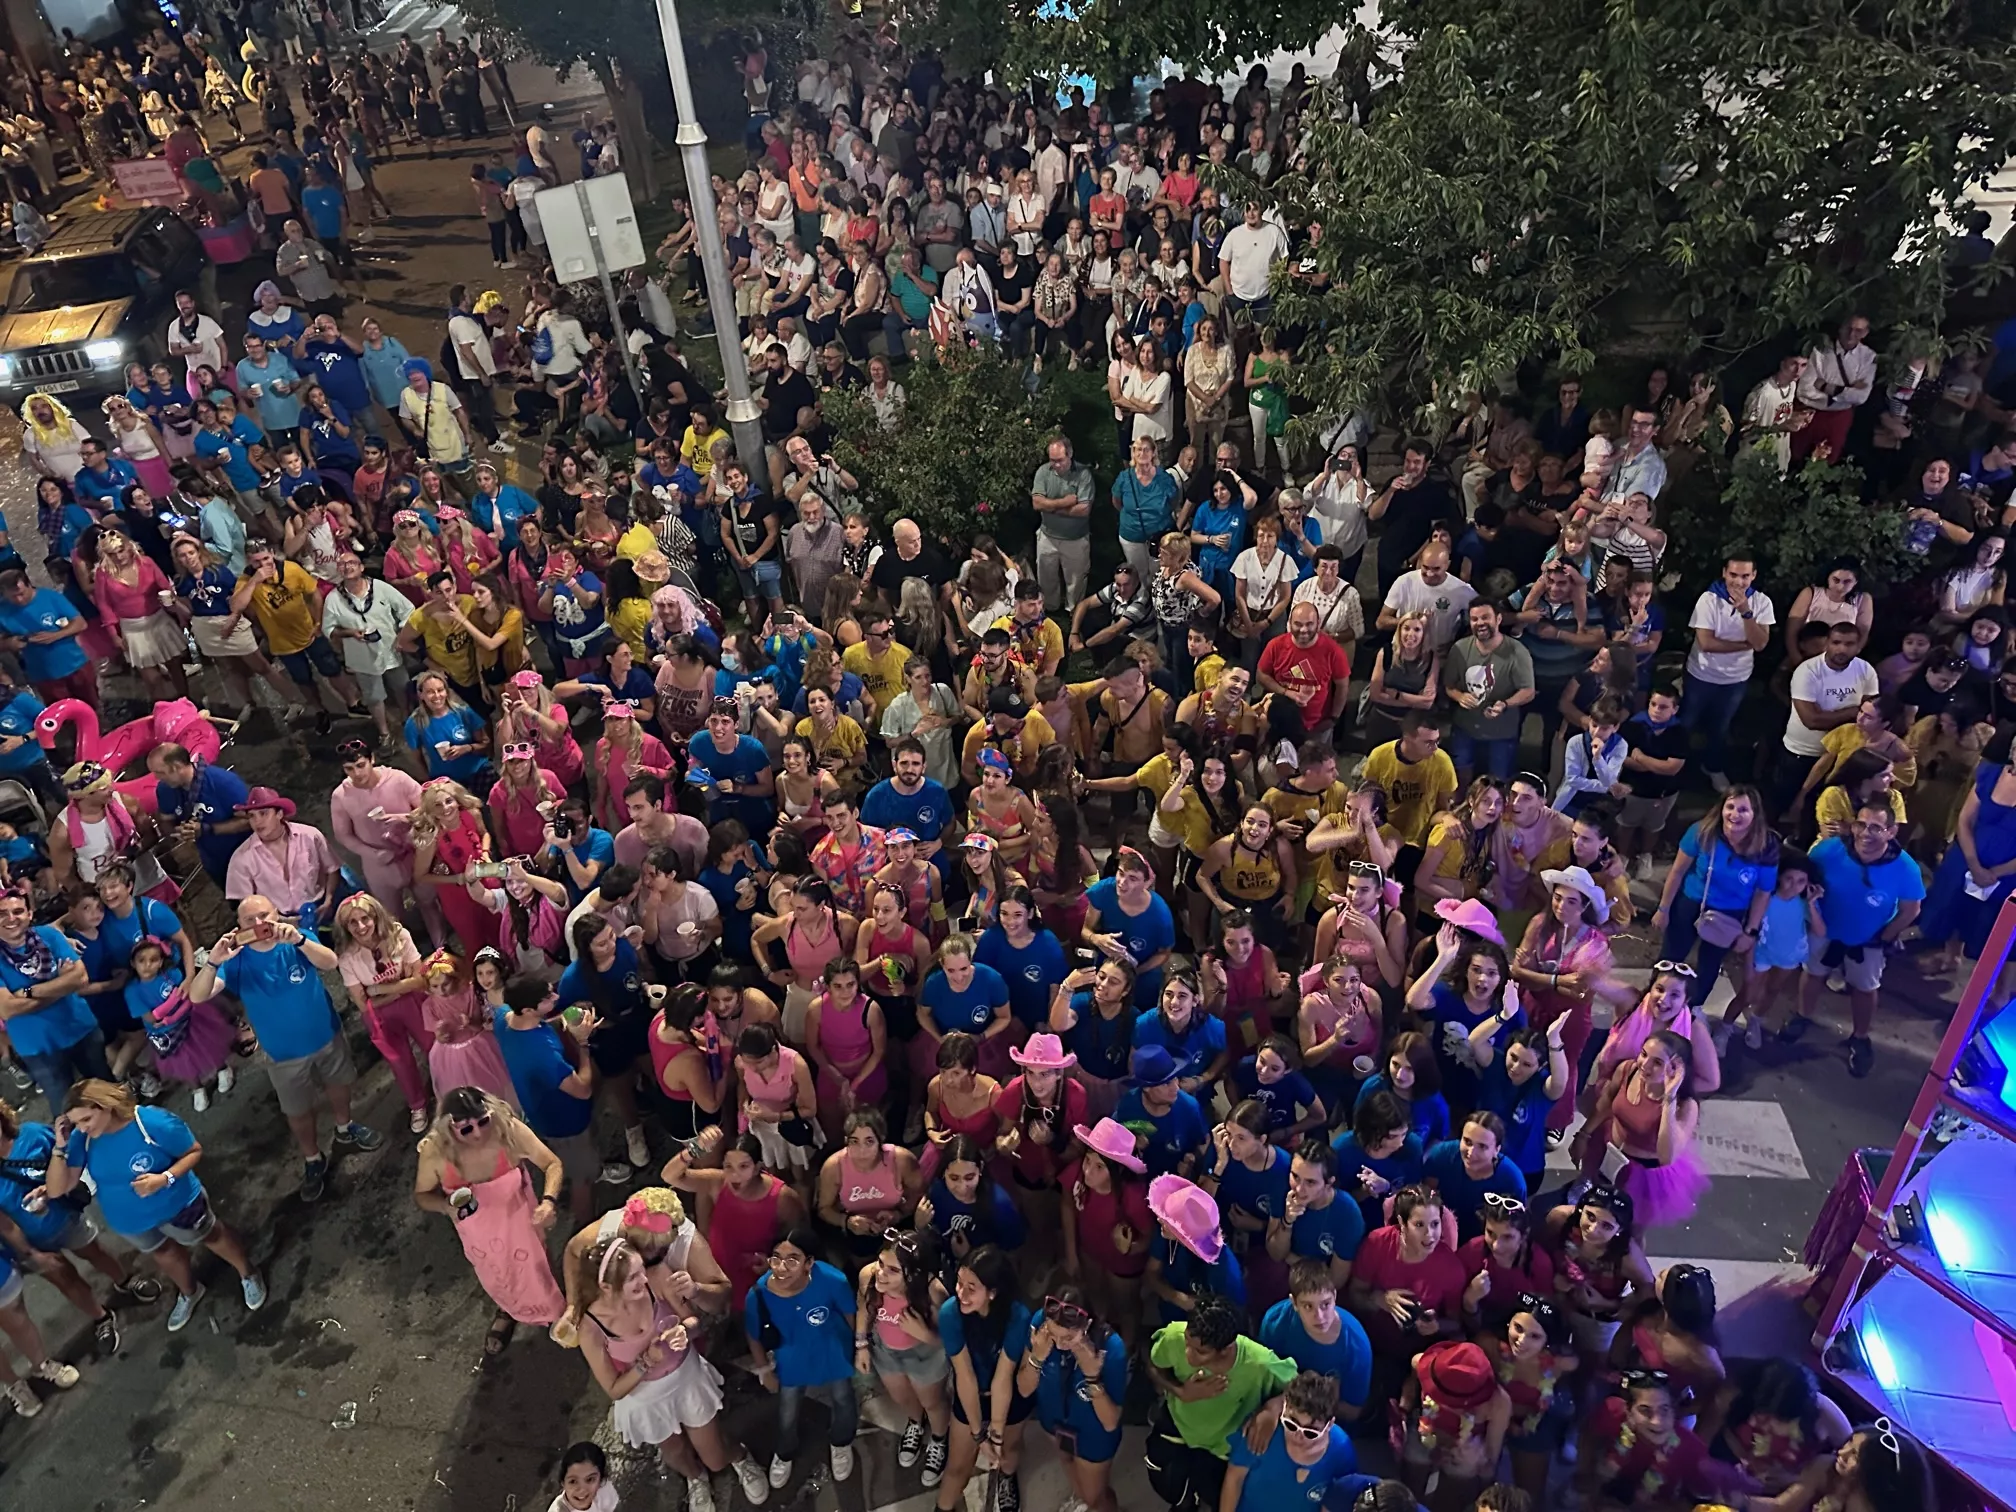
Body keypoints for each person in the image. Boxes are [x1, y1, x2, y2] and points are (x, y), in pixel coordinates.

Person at [187, 894, 386, 1201]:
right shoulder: (236, 959)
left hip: (326, 1034)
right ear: (238, 925)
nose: (259, 924)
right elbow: (198, 996)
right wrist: (213, 961)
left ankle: (345, 1129)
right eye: (249, 920)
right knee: (297, 1110)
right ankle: (312, 1158)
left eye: (264, 915)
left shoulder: (296, 939)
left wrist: (300, 941)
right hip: (283, 1054)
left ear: (276, 914)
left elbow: (331, 962)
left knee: (340, 1083)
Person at [43, 1078, 265, 1333]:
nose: (81, 1128)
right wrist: (59, 1148)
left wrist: (164, 1178)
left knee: (211, 1235)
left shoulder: (151, 1123)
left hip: (178, 1205)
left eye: (86, 1119)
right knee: (163, 1253)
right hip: (129, 1221)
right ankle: (189, 1291)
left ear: (105, 1106)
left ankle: (248, 1273)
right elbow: (59, 1188)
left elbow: (193, 1152)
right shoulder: (83, 1139)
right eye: (77, 1122)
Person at [412, 1085, 565, 1359]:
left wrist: (548, 1201)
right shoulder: (435, 1152)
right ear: (449, 1129)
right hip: (478, 1236)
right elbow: (422, 1195)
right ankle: (508, 1310)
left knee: (539, 1269)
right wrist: (445, 1207)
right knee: (496, 1276)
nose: (480, 1133)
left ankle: (555, 1312)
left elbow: (551, 1164)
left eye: (483, 1122)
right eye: (467, 1130)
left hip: (521, 1222)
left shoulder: (508, 1130)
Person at [1789, 801, 1925, 1077]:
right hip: (1822, 930)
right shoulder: (1829, 850)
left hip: (1868, 942)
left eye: (1876, 827)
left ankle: (1860, 1036)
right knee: (1813, 973)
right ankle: (1802, 1016)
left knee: (1865, 988)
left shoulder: (1905, 868)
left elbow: (1912, 909)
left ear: (1891, 831)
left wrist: (1883, 937)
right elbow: (1804, 878)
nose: (1865, 833)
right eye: (1860, 825)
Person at [1143, 1293, 1295, 1512]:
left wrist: (1272, 1408)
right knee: (1162, 1475)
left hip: (1224, 1447)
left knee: (1217, 1497)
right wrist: (1181, 1391)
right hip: (1179, 1425)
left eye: (1200, 1352)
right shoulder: (1173, 1335)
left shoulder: (1260, 1362)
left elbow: (1301, 1389)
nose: (1188, 1355)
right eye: (1187, 1343)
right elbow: (1154, 1365)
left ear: (1226, 1348)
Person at [747, 1225, 861, 1490]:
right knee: (788, 1409)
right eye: (776, 1258)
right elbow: (753, 1334)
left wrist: (858, 1347)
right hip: (792, 1359)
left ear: (809, 1263)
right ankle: (785, 1451)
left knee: (843, 1398)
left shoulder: (834, 1281)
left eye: (792, 1260)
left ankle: (841, 1442)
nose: (781, 1267)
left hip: (833, 1351)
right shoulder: (759, 1294)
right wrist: (765, 1370)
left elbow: (850, 1315)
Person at [1684, 553, 1775, 791]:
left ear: (1753, 576)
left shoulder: (1762, 603)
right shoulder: (1709, 599)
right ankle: (1677, 767)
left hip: (1736, 679)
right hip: (1701, 675)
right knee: (1685, 723)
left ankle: (1712, 767)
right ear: (1724, 573)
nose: (1739, 581)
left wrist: (1746, 612)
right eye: (1733, 575)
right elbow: (1706, 643)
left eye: (1745, 576)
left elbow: (1761, 643)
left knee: (1721, 727)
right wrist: (1744, 645)